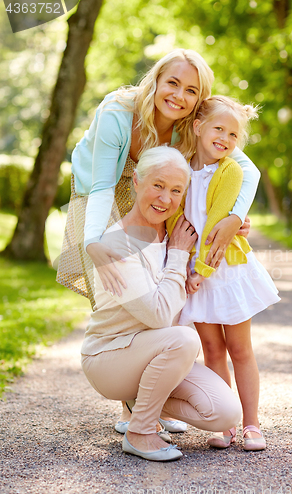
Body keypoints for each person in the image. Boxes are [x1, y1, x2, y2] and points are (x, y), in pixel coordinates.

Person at [56, 48, 259, 432]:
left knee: (157, 287)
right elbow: (102, 186)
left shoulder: (190, 124)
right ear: (155, 80)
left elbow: (247, 169)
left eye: (190, 91)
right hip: (100, 192)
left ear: (199, 101)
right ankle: (131, 409)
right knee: (118, 290)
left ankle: (150, 398)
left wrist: (234, 216)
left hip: (155, 191)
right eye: (173, 84)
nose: (179, 96)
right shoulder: (118, 113)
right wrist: (93, 242)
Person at [80, 146, 242, 461]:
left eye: (176, 191)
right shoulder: (117, 245)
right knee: (183, 339)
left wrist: (235, 221)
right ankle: (140, 432)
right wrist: (179, 256)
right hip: (109, 358)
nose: (165, 198)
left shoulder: (172, 233)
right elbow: (158, 315)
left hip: (153, 356)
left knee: (225, 413)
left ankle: (143, 402)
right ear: (137, 182)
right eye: (157, 185)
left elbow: (231, 185)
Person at [166, 96, 280, 451]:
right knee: (212, 350)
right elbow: (175, 218)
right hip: (195, 272)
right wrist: (182, 263)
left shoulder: (230, 170)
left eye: (233, 134)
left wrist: (201, 269)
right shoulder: (181, 166)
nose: (226, 139)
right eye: (219, 129)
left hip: (223, 269)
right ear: (198, 127)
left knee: (240, 349)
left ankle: (251, 424)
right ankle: (225, 422)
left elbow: (216, 222)